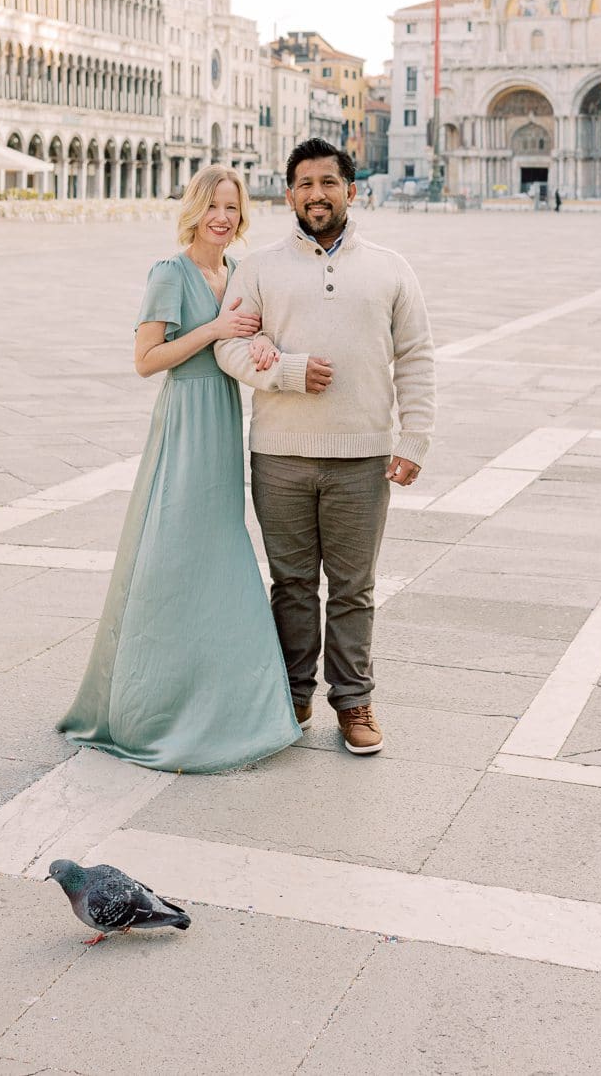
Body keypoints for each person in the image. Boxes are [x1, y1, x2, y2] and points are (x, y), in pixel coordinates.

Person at [56, 167, 301, 772]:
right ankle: (155, 703)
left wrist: (262, 345)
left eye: (231, 207)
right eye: (213, 205)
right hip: (186, 416)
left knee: (217, 552)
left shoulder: (239, 272)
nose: (222, 216)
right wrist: (215, 329)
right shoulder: (170, 273)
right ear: (194, 209)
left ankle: (223, 701)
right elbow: (146, 360)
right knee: (173, 551)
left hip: (223, 417)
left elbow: (248, 338)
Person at [214, 138, 435, 757]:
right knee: (288, 584)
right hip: (280, 454)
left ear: (351, 190)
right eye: (304, 184)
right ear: (289, 195)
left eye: (328, 183)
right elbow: (229, 346)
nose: (317, 194)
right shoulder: (256, 268)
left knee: (353, 587)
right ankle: (292, 694)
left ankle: (354, 700)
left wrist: (414, 437)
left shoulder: (391, 268)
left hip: (362, 456)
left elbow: (416, 356)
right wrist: (284, 371)